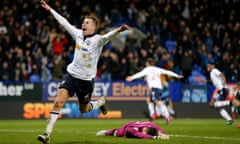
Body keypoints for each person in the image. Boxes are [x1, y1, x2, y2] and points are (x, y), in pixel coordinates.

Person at [38, 0, 130, 144]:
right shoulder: (78, 34)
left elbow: (108, 37)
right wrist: (50, 10)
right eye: (83, 22)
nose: (83, 24)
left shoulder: (98, 40)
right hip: (71, 76)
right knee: (58, 102)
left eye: (86, 23)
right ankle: (47, 134)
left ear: (93, 26)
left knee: (84, 109)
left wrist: (118, 30)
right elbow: (64, 22)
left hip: (86, 81)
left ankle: (100, 103)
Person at [126, 58, 183, 124]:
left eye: (146, 63)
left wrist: (131, 77)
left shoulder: (147, 69)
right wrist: (176, 75)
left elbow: (140, 74)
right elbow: (167, 72)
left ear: (148, 63)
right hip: (158, 88)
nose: (145, 64)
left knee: (158, 101)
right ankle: (152, 115)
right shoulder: (157, 69)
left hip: (154, 88)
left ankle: (168, 116)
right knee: (149, 100)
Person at [96, 121, 170, 140]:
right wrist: (154, 137)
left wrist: (160, 133)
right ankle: (106, 132)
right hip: (127, 127)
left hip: (134, 124)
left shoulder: (152, 125)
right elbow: (138, 134)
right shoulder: (135, 129)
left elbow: (163, 131)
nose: (144, 132)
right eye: (145, 131)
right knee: (117, 133)